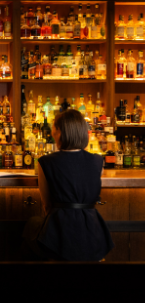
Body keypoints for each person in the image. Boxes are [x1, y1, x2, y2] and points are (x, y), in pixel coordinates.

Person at [22, 109, 114, 261]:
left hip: (61, 234)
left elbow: (47, 206)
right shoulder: (98, 161)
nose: (52, 134)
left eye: (54, 129)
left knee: (31, 227)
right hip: (93, 234)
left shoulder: (45, 162)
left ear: (61, 132)